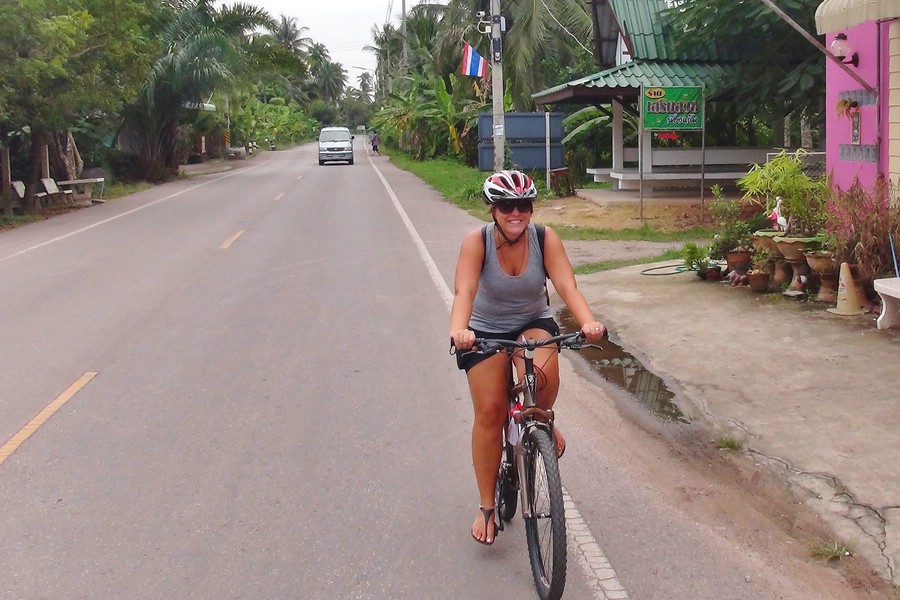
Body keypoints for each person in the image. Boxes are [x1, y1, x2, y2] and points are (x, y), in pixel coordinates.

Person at [449, 170, 606, 546]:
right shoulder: (477, 242)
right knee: (490, 412)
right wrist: (459, 329)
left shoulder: (544, 238)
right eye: (506, 206)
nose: (516, 213)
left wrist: (588, 322)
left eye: (523, 205)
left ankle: (540, 419)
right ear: (493, 210)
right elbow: (464, 291)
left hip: (533, 321)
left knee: (545, 375)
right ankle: (487, 507)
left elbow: (566, 285)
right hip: (485, 329)